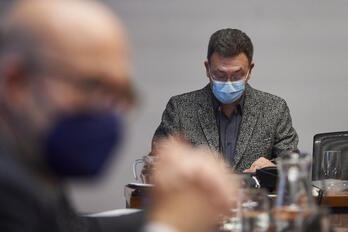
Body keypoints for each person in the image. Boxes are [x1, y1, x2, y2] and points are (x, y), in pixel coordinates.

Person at [0, 1, 238, 232]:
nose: (106, 110)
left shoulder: (36, 172)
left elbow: (75, 227)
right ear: (16, 83)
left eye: (118, 94)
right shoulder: (8, 191)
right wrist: (170, 225)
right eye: (91, 86)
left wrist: (172, 209)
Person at [153, 28, 299, 173]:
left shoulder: (274, 109)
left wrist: (273, 169)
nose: (228, 82)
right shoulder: (180, 109)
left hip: (255, 196)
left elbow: (294, 166)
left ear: (250, 71)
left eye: (237, 75)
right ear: (207, 68)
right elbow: (155, 165)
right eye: (220, 74)